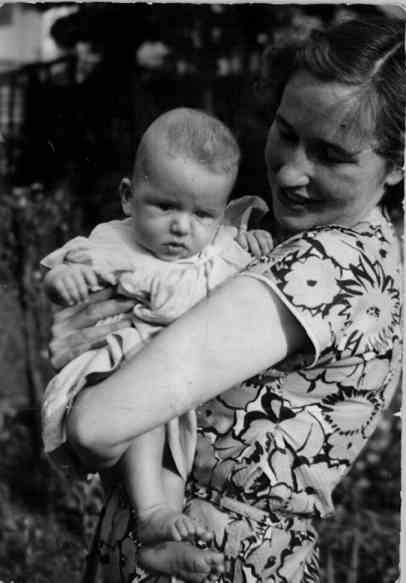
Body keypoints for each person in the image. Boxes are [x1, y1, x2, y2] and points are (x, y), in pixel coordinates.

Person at [47, 16, 404, 583]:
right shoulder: (324, 242)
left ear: (399, 165)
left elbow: (95, 428)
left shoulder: (329, 267)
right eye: (286, 131)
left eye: (331, 154)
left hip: (215, 561)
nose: (291, 172)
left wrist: (95, 372)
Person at [41, 107, 273, 553]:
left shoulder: (221, 245)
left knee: (173, 450)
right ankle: (151, 514)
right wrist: (65, 281)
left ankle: (163, 534)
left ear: (220, 214)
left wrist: (256, 242)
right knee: (146, 425)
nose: (182, 226)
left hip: (180, 378)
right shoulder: (117, 240)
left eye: (202, 214)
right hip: (128, 365)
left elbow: (246, 263)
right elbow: (64, 267)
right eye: (165, 206)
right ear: (129, 197)